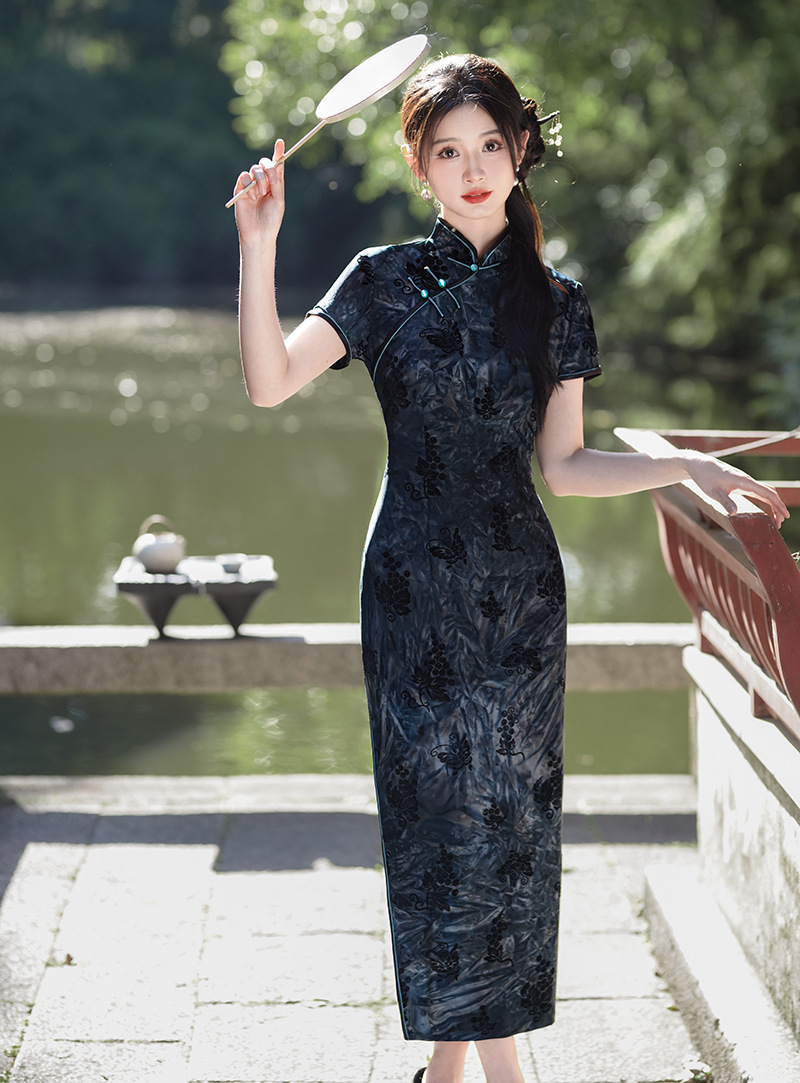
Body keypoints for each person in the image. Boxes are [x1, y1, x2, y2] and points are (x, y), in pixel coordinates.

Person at [231, 52, 788, 1083]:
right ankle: (496, 1071)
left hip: (519, 593)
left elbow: (566, 467)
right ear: (419, 166)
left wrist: (686, 465)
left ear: (520, 149)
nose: (474, 167)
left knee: (514, 825)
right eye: (448, 152)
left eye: (490, 145)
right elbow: (268, 383)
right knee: (434, 821)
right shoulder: (380, 280)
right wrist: (257, 245)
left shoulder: (557, 301)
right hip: (411, 586)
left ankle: (461, 1069)